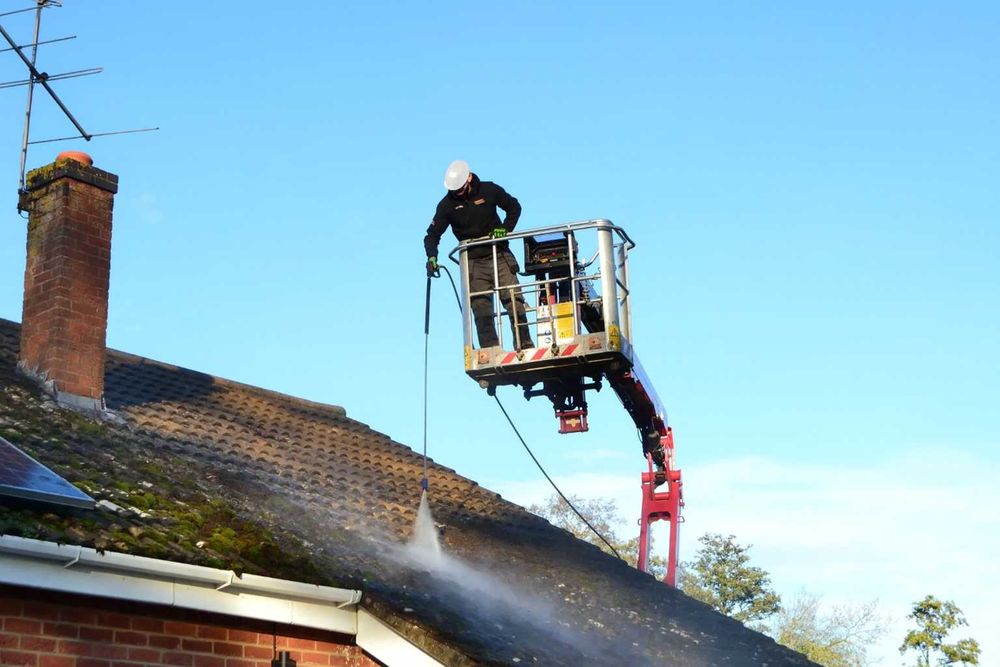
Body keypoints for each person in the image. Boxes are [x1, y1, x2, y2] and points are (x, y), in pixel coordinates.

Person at [424, 160, 534, 350]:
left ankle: (524, 343)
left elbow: (514, 207)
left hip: (499, 254)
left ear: (468, 178)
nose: (458, 193)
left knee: (514, 300)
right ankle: (490, 351)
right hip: (473, 263)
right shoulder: (446, 205)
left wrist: (505, 229)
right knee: (481, 308)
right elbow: (432, 235)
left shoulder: (489, 190)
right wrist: (431, 257)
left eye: (460, 189)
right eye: (454, 190)